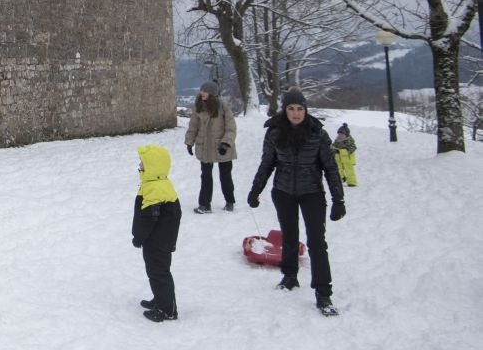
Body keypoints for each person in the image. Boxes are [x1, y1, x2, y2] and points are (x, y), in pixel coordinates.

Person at [247, 89, 346, 315]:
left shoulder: (317, 133)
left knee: (317, 242)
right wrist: (255, 191)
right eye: (291, 108)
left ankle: (323, 293)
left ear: (305, 110)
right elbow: (266, 164)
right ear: (285, 110)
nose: (296, 113)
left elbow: (330, 168)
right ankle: (290, 276)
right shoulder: (274, 133)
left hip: (312, 193)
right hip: (283, 192)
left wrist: (338, 199)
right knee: (289, 237)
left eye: (300, 108)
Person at [133, 145, 182, 322]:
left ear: (153, 166)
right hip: (159, 240)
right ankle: (161, 299)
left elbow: (147, 218)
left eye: (143, 163)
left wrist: (138, 237)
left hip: (157, 242)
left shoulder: (155, 188)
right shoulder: (157, 184)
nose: (139, 165)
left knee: (159, 273)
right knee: (157, 272)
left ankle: (167, 310)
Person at [183, 81, 237, 213]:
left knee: (225, 176)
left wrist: (226, 143)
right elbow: (193, 126)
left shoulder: (222, 107)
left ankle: (229, 201)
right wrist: (189, 141)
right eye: (202, 90)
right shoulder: (198, 107)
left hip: (221, 146)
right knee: (206, 176)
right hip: (204, 147)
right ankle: (205, 205)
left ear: (212, 94)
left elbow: (231, 127)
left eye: (205, 91)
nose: (202, 93)